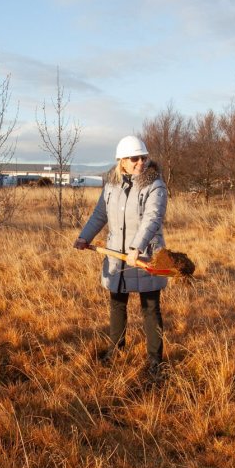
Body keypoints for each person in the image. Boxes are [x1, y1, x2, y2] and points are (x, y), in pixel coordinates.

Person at [74, 135, 169, 378]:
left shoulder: (155, 185)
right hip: (117, 255)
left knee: (150, 307)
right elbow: (99, 215)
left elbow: (152, 218)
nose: (140, 162)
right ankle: (116, 349)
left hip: (146, 256)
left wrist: (137, 247)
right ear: (122, 162)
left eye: (143, 157)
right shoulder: (111, 186)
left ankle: (155, 360)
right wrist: (85, 236)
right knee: (117, 304)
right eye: (134, 158)